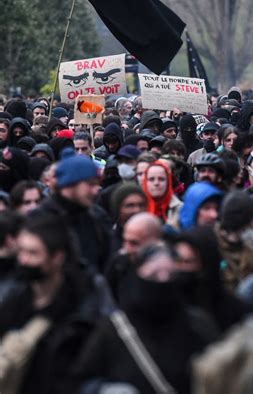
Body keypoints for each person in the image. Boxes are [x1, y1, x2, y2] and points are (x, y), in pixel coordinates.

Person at [76, 245, 215, 394]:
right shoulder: (113, 330)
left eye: (170, 275)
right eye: (153, 275)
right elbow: (80, 380)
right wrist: (103, 389)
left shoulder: (198, 324)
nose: (162, 281)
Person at [0, 215, 112, 394]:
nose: (24, 260)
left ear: (57, 257)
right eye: (22, 251)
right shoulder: (12, 299)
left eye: (33, 253)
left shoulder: (86, 302)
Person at [33, 149, 112, 272]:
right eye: (90, 184)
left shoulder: (97, 216)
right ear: (70, 184)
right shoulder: (39, 219)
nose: (96, 190)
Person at [142, 160, 182, 229]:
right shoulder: (137, 208)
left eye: (161, 179)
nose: (156, 183)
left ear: (168, 182)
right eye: (151, 179)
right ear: (145, 182)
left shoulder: (180, 209)